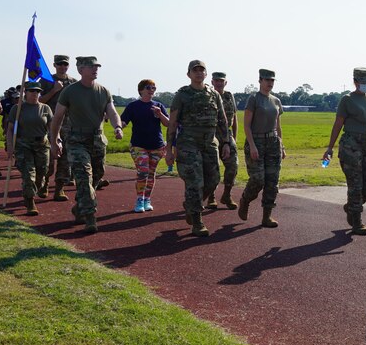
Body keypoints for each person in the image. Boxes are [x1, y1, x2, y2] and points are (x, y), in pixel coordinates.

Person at [49, 56, 124, 233]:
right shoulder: (69, 91)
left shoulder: (103, 91)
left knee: (97, 176)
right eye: (91, 66)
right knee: (83, 177)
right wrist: (54, 141)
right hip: (76, 141)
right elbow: (58, 117)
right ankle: (90, 217)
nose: (95, 69)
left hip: (97, 141)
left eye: (97, 66)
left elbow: (112, 112)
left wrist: (118, 127)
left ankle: (80, 206)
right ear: (80, 69)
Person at [165, 60, 233, 236]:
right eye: (195, 70)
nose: (198, 73)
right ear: (189, 74)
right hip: (188, 143)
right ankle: (197, 221)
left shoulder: (214, 94)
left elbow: (222, 120)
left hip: (210, 143)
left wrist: (225, 142)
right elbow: (172, 123)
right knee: (195, 182)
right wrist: (169, 149)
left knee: (213, 180)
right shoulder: (182, 95)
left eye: (201, 70)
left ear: (206, 74)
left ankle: (191, 204)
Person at [322, 67, 366, 235]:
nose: (365, 85)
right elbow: (338, 124)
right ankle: (357, 222)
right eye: (362, 83)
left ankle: (351, 207)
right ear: (355, 82)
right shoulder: (347, 100)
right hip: (351, 145)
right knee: (356, 184)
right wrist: (330, 148)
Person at [237, 68, 284, 227]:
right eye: (267, 80)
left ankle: (267, 216)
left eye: (272, 80)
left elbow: (278, 126)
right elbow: (246, 125)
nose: (270, 83)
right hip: (256, 141)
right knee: (258, 179)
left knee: (272, 181)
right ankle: (245, 200)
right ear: (260, 81)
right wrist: (252, 145)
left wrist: (281, 145)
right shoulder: (253, 99)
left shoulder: (276, 101)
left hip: (273, 143)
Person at [120, 79, 170, 213]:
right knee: (143, 172)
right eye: (148, 87)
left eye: (154, 88)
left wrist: (160, 114)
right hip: (138, 145)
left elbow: (168, 124)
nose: (151, 90)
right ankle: (139, 199)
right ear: (141, 90)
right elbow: (123, 121)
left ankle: (147, 199)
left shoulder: (159, 105)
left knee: (151, 173)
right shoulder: (133, 106)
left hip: (157, 146)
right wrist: (119, 128)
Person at [6, 84, 53, 215]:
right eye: (32, 91)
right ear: (25, 92)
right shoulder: (18, 108)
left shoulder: (45, 108)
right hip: (23, 145)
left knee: (41, 174)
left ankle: (33, 191)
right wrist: (10, 146)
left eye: (37, 91)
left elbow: (52, 128)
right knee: (28, 175)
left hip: (42, 145)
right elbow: (10, 129)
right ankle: (30, 201)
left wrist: (56, 141)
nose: (34, 94)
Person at [40, 55, 78, 201]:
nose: (62, 66)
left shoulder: (74, 83)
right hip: (49, 124)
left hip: (68, 125)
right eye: (59, 64)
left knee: (65, 159)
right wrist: (54, 90)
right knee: (47, 157)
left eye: (65, 64)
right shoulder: (46, 81)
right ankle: (44, 184)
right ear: (54, 65)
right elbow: (39, 101)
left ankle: (59, 188)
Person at [209, 71, 239, 210]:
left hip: (227, 135)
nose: (219, 83)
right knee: (211, 168)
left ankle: (226, 195)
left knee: (233, 165)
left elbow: (234, 118)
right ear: (212, 82)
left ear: (225, 82)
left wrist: (234, 138)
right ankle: (211, 197)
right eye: (216, 81)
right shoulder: (208, 95)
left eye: (222, 81)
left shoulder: (229, 96)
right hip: (211, 134)